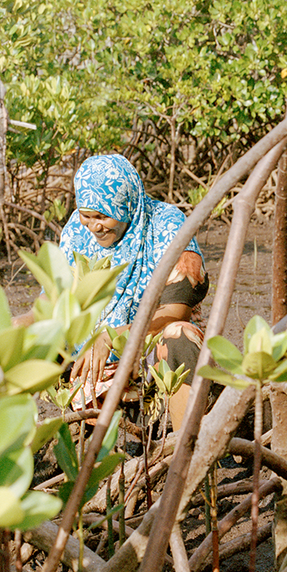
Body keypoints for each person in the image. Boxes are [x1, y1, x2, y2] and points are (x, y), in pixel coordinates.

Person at [57, 153, 209, 426]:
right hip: (89, 359)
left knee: (180, 335)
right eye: (86, 216)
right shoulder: (75, 233)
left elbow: (176, 311)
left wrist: (112, 337)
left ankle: (188, 455)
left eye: (103, 216)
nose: (94, 226)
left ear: (125, 206)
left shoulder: (166, 224)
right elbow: (54, 300)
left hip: (151, 353)